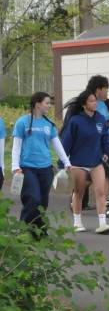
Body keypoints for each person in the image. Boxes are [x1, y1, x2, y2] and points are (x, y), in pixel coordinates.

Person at [11, 92, 72, 233]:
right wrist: (15, 166)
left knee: (42, 203)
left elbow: (57, 144)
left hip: (46, 168)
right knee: (32, 199)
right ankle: (23, 230)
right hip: (27, 168)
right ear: (37, 104)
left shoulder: (49, 124)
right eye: (47, 103)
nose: (49, 106)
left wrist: (66, 161)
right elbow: (16, 146)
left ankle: (39, 231)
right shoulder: (22, 122)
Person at [61, 89, 109, 234]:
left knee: (101, 191)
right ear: (84, 104)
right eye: (91, 101)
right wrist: (63, 163)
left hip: (96, 162)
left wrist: (106, 152)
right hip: (78, 163)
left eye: (95, 100)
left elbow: (104, 139)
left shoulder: (101, 119)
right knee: (79, 192)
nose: (94, 103)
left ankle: (103, 223)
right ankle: (77, 222)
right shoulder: (75, 121)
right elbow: (66, 143)